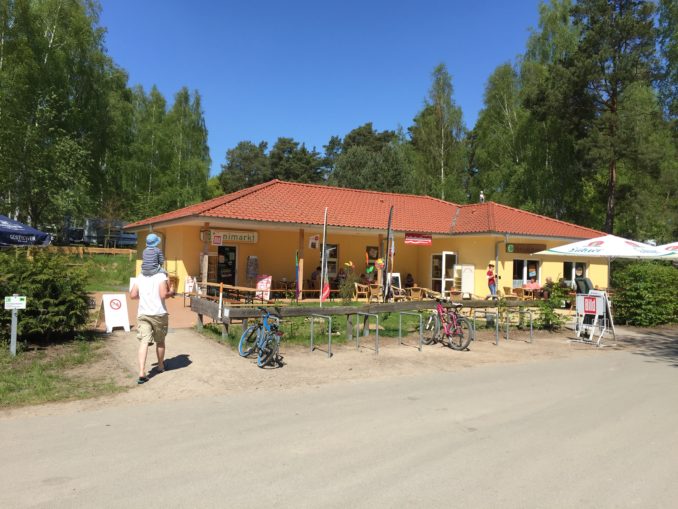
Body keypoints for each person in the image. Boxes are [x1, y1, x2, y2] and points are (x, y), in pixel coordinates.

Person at [130, 271, 174, 384]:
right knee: (160, 341)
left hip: (143, 313)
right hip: (159, 314)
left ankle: (141, 371)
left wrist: (144, 296)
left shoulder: (140, 276)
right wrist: (172, 291)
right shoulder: (161, 276)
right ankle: (160, 366)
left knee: (144, 342)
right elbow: (164, 295)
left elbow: (133, 295)